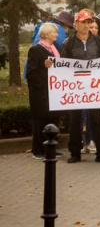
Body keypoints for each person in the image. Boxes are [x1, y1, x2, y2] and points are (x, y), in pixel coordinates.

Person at [62, 10, 100, 164]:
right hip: (76, 88)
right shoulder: (68, 43)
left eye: (88, 22)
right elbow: (63, 64)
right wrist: (51, 65)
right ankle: (75, 153)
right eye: (83, 22)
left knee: (97, 120)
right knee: (75, 120)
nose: (86, 25)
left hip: (94, 88)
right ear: (75, 24)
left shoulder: (98, 42)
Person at [26, 23, 63, 159]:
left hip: (53, 91)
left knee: (53, 119)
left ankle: (51, 148)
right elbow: (31, 73)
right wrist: (45, 82)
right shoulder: (36, 50)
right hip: (41, 93)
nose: (57, 35)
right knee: (41, 121)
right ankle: (38, 149)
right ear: (46, 34)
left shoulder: (54, 49)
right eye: (54, 32)